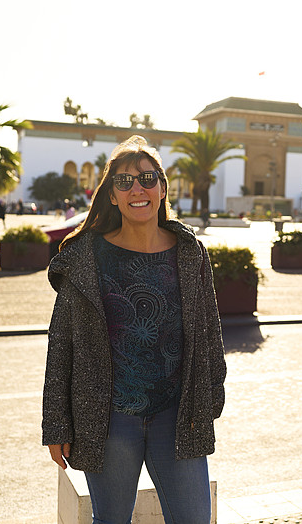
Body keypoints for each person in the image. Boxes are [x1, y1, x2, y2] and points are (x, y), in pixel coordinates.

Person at [42, 135, 226, 523]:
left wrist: (211, 397)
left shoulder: (190, 252)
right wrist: (57, 423)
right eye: (123, 182)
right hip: (108, 421)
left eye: (146, 178)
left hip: (178, 417)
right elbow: (61, 344)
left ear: (162, 188)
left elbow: (209, 329)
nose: (136, 189)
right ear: (111, 195)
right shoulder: (85, 257)